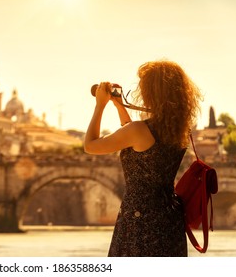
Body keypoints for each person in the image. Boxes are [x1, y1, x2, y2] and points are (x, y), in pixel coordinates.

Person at [84, 60, 202, 257]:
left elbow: (90, 145)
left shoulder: (139, 131)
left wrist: (100, 105)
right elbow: (136, 141)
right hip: (169, 219)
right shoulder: (179, 130)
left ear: (152, 92)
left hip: (138, 220)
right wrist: (121, 107)